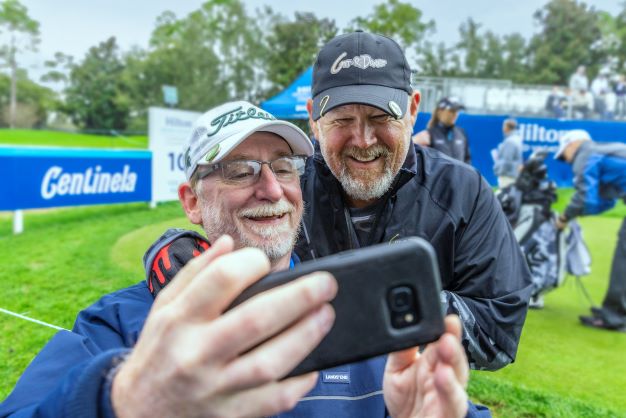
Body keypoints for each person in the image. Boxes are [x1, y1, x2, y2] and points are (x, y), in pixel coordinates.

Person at [0, 101, 476, 418]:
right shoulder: (118, 327)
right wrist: (124, 399)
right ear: (191, 202)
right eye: (238, 170)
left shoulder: (363, 315)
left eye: (284, 167)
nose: (271, 189)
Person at [301, 30, 532, 372]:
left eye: (381, 117)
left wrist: (369, 296)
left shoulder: (464, 190)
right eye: (342, 119)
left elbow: (499, 332)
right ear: (314, 120)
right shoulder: (283, 188)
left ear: (412, 109)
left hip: (415, 397)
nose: (363, 140)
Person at [554, 129, 626, 332]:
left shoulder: (586, 154)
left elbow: (586, 197)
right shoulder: (605, 152)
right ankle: (616, 311)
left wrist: (564, 217)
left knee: (624, 259)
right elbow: (606, 202)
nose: (566, 161)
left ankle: (613, 317)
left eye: (563, 154)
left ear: (572, 144)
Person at [412, 96, 471, 164]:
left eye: (457, 111)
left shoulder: (461, 133)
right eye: (451, 111)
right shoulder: (429, 134)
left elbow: (467, 159)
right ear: (440, 111)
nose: (455, 114)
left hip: (460, 174)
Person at [492, 118, 523, 188]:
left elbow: (507, 160)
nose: (503, 128)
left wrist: (499, 171)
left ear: (507, 127)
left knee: (504, 197)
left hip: (507, 175)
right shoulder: (516, 139)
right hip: (512, 174)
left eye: (504, 126)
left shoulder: (510, 141)